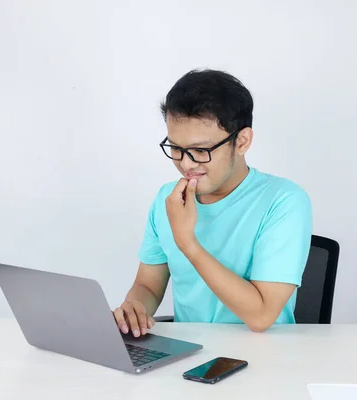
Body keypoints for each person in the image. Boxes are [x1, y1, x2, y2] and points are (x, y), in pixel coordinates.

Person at [113, 68, 312, 335]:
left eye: (201, 151)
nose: (186, 163)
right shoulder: (168, 199)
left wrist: (187, 242)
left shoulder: (284, 201)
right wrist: (134, 309)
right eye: (175, 148)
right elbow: (148, 286)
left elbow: (262, 315)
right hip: (187, 354)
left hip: (266, 359)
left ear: (241, 141)